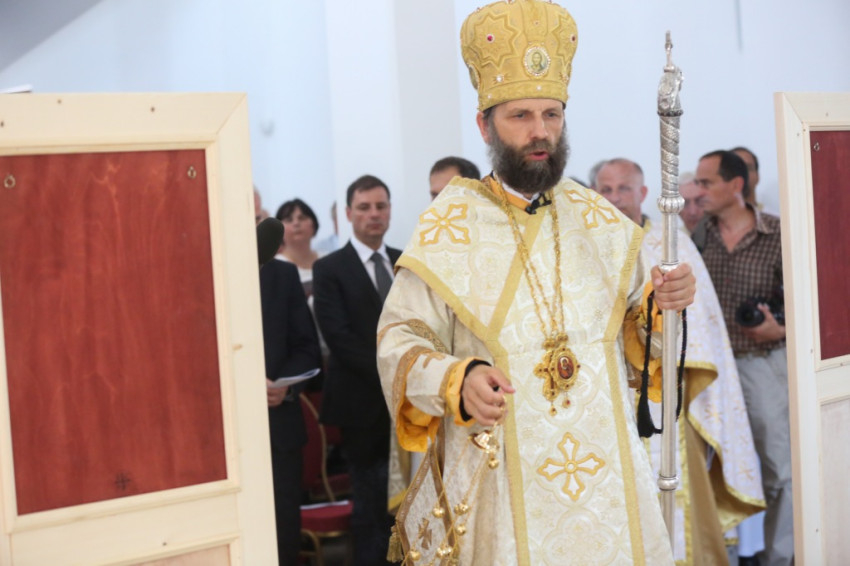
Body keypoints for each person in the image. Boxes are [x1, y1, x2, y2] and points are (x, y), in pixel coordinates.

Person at [376, 2, 696, 564]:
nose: (540, 131)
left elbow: (641, 346)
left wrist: (663, 307)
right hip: (500, 478)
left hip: (607, 483)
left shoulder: (599, 221)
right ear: (485, 126)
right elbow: (398, 343)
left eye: (552, 114)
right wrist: (458, 379)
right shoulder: (450, 226)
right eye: (520, 115)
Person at [594, 158, 765, 564]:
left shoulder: (671, 244)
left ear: (642, 193)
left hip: (667, 393)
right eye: (605, 189)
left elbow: (701, 325)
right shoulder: (588, 245)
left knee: (678, 492)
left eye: (623, 188)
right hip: (608, 395)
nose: (615, 198)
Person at [695, 149, 792, 566]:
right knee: (708, 470)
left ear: (736, 185)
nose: (698, 191)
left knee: (780, 469)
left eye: (706, 183)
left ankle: (780, 558)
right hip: (709, 369)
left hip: (762, 362)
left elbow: (814, 301)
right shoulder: (698, 234)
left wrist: (782, 330)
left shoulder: (780, 233)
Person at [312, 174, 401, 566]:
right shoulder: (330, 268)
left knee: (409, 503)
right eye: (364, 207)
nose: (374, 214)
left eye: (381, 206)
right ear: (348, 214)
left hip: (408, 405)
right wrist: (397, 374)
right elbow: (340, 339)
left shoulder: (405, 261)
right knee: (371, 505)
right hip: (361, 405)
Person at [257, 228, 322, 566]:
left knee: (283, 538)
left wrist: (285, 386)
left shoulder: (282, 275)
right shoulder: (203, 272)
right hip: (220, 439)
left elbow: (307, 349)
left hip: (278, 430)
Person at [275, 198, 323, 298]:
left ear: (314, 225)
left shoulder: (327, 260)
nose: (296, 223)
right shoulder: (274, 267)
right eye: (289, 220)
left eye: (302, 218)